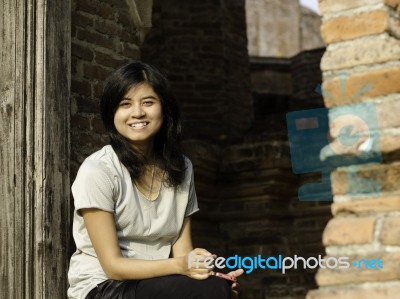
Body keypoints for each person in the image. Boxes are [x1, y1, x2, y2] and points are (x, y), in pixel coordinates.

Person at [67, 61, 243, 299]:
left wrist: (206, 274)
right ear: (112, 114)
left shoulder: (182, 168)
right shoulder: (98, 170)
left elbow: (183, 252)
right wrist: (183, 267)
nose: (137, 113)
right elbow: (113, 266)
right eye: (125, 104)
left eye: (148, 102)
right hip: (104, 286)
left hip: (156, 282)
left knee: (218, 285)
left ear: (164, 108)